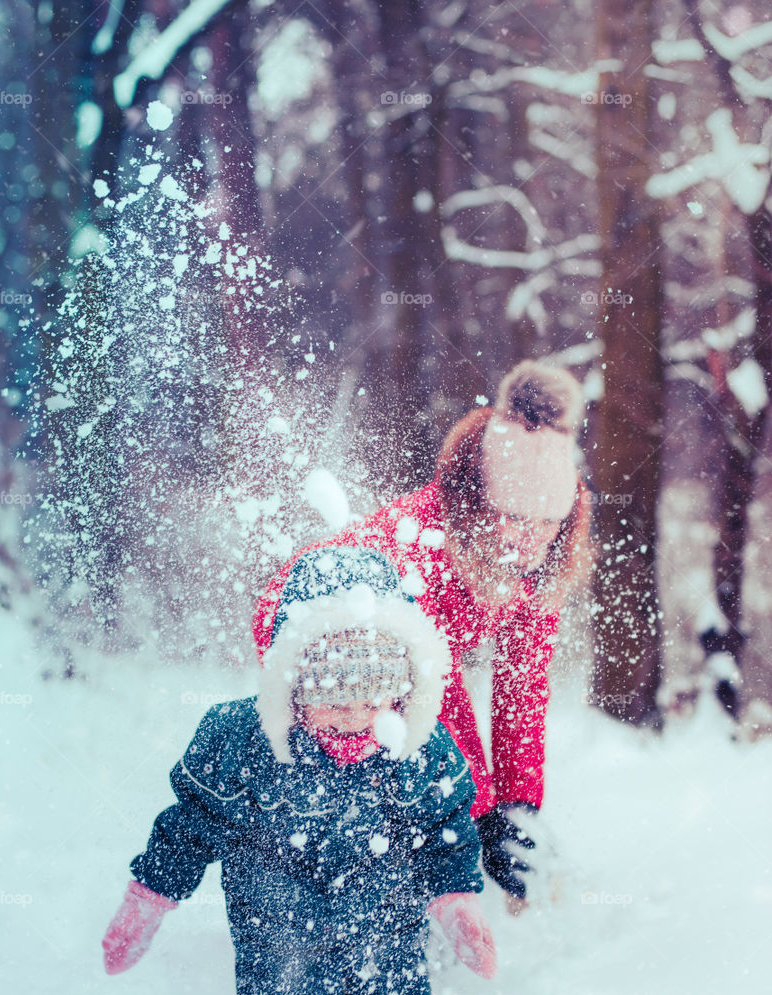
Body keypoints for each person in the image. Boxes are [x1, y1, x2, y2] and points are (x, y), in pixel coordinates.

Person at [101, 548, 497, 995]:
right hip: (275, 918)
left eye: (376, 698)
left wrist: (456, 902)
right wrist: (150, 897)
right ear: (292, 685)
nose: (354, 717)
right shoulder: (241, 741)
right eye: (333, 698)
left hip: (384, 914)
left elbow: (445, 828)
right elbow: (189, 824)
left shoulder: (417, 749)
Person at [253, 361, 592, 914]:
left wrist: (520, 810)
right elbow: (439, 690)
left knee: (425, 768)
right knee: (371, 755)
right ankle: (327, 897)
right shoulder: (423, 545)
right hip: (312, 619)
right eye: (512, 518)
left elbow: (522, 688)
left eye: (547, 522)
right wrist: (479, 811)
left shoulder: (537, 566)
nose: (530, 540)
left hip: (399, 653)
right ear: (478, 505)